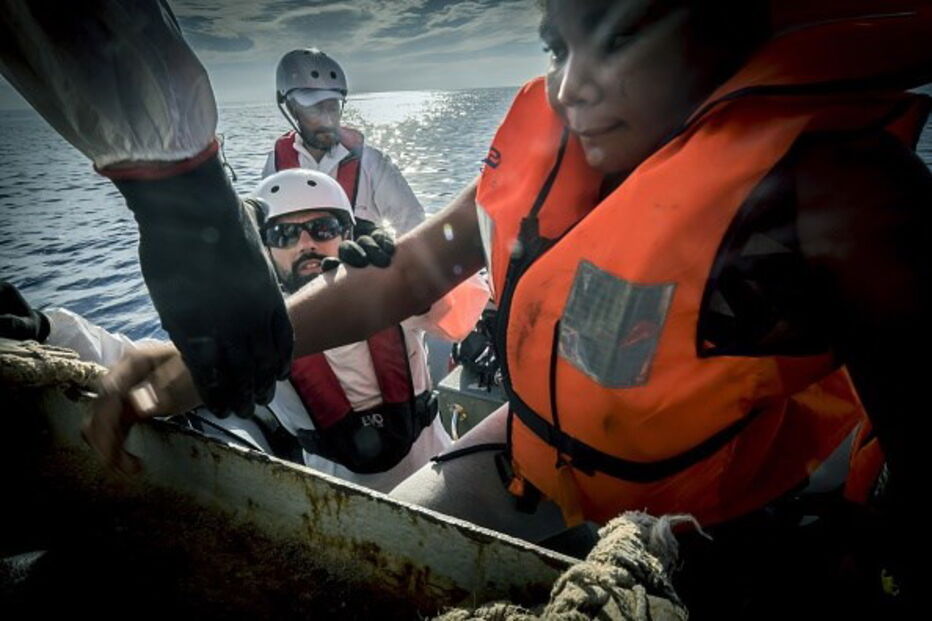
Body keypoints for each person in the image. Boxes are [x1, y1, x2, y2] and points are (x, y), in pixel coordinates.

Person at [85, 0, 932, 615]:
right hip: (526, 459)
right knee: (355, 580)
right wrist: (207, 359)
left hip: (728, 528)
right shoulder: (547, 155)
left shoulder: (847, 201)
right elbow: (405, 273)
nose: (572, 87)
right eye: (556, 44)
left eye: (624, 31)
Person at [0, 0, 292, 418]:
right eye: (285, 232)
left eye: (324, 228)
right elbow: (130, 363)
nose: (307, 245)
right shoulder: (264, 341)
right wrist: (52, 332)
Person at [264, 48, 425, 236]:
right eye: (315, 110)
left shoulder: (372, 163)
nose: (328, 120)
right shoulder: (274, 164)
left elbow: (414, 225)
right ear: (292, 109)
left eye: (333, 107)